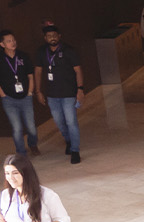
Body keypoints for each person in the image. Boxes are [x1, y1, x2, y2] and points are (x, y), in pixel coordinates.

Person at [37, 23, 85, 163]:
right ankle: (68, 141)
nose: (52, 38)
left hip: (69, 93)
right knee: (59, 122)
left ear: (59, 36)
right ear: (45, 38)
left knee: (71, 122)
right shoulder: (41, 52)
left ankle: (75, 150)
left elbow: (78, 70)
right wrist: (38, 91)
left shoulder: (69, 50)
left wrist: (80, 89)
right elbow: (38, 71)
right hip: (52, 95)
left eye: (54, 35)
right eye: (49, 36)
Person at [0, 30, 41, 156]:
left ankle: (33, 144)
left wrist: (30, 92)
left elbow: (30, 76)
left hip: (25, 97)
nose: (12, 43)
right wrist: (2, 95)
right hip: (9, 99)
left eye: (13, 40)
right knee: (17, 128)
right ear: (2, 44)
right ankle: (21, 152)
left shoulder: (23, 56)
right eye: (8, 41)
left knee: (31, 127)